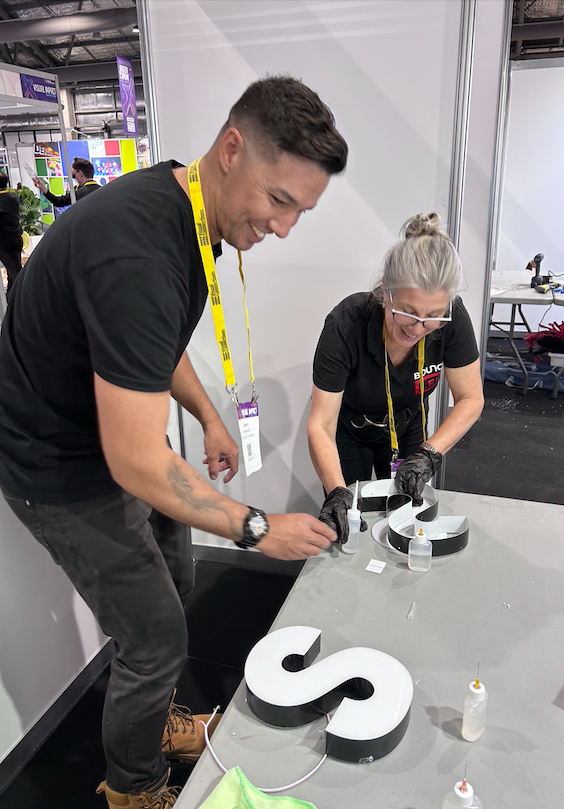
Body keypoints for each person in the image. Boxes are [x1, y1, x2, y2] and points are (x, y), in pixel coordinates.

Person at [0, 76, 347, 808]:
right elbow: (134, 458)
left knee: (176, 579)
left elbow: (147, 344)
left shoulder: (187, 214)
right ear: (231, 150)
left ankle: (152, 721)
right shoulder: (139, 250)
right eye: (279, 199)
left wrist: (209, 416)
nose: (284, 227)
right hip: (53, 461)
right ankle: (135, 790)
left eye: (301, 211)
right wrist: (259, 527)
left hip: (108, 435)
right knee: (155, 635)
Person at [308, 213, 484, 542]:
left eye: (433, 317)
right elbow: (320, 424)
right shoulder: (346, 324)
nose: (417, 329)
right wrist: (335, 491)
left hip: (408, 425)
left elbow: (471, 398)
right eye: (406, 312)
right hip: (350, 431)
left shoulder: (453, 319)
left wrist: (430, 453)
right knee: (351, 522)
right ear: (385, 289)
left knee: (408, 520)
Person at [32, 157, 101, 206]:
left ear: (80, 173)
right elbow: (59, 201)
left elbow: (59, 202)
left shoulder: (80, 192)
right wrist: (42, 188)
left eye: (74, 174)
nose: (74, 178)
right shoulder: (100, 190)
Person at [0, 172, 23, 300]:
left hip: (4, 241)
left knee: (16, 272)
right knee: (12, 272)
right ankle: (10, 299)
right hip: (16, 238)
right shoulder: (13, 197)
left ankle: (23, 299)